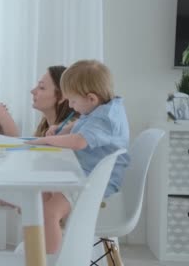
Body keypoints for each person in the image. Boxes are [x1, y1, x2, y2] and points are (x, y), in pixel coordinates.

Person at [27, 59, 130, 254]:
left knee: (50, 213)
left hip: (94, 180)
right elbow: (80, 124)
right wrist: (62, 128)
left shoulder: (105, 117)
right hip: (84, 173)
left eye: (73, 101)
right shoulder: (99, 107)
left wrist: (46, 141)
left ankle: (54, 260)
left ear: (91, 98)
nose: (72, 107)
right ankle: (41, 251)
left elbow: (79, 141)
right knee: (41, 195)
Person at [31, 65, 75, 137]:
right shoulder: (44, 126)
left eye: (42, 87)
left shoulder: (70, 131)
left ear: (61, 97)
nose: (33, 91)